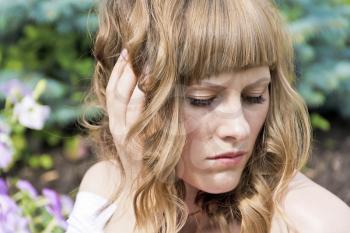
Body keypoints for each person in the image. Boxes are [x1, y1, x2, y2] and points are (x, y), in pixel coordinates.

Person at [66, 0, 350, 233]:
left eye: (255, 96)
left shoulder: (313, 222)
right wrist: (136, 197)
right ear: (131, 95)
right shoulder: (105, 191)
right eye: (202, 100)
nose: (238, 129)